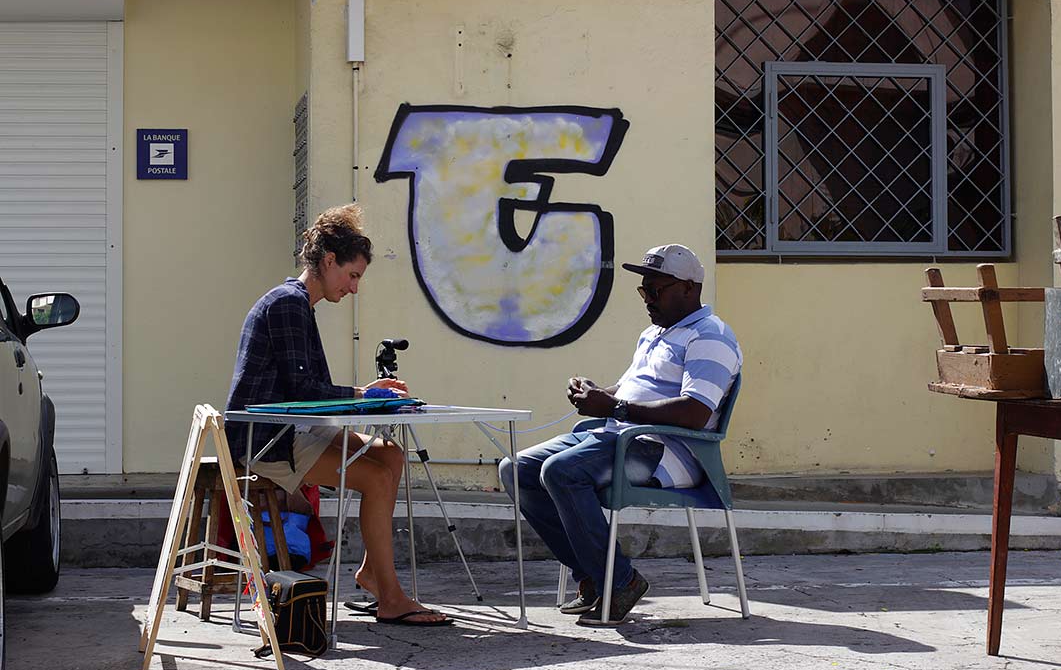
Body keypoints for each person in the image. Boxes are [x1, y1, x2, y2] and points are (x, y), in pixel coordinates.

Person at [224, 204, 451, 627]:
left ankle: (371, 572)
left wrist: (367, 395)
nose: (354, 288)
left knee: (391, 454)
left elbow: (311, 390)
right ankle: (392, 597)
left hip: (289, 430)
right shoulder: (288, 305)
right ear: (329, 261)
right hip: (266, 441)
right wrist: (364, 394)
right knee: (378, 475)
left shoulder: (297, 304)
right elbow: (306, 392)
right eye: (353, 275)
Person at [499, 244, 742, 625]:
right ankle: (594, 578)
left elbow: (695, 412)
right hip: (621, 434)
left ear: (690, 289)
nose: (647, 299)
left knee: (562, 472)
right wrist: (599, 394)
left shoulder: (710, 336)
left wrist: (614, 408)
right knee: (516, 468)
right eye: (643, 290)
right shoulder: (655, 333)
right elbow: (635, 391)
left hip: (665, 450)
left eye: (656, 290)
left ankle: (620, 579)